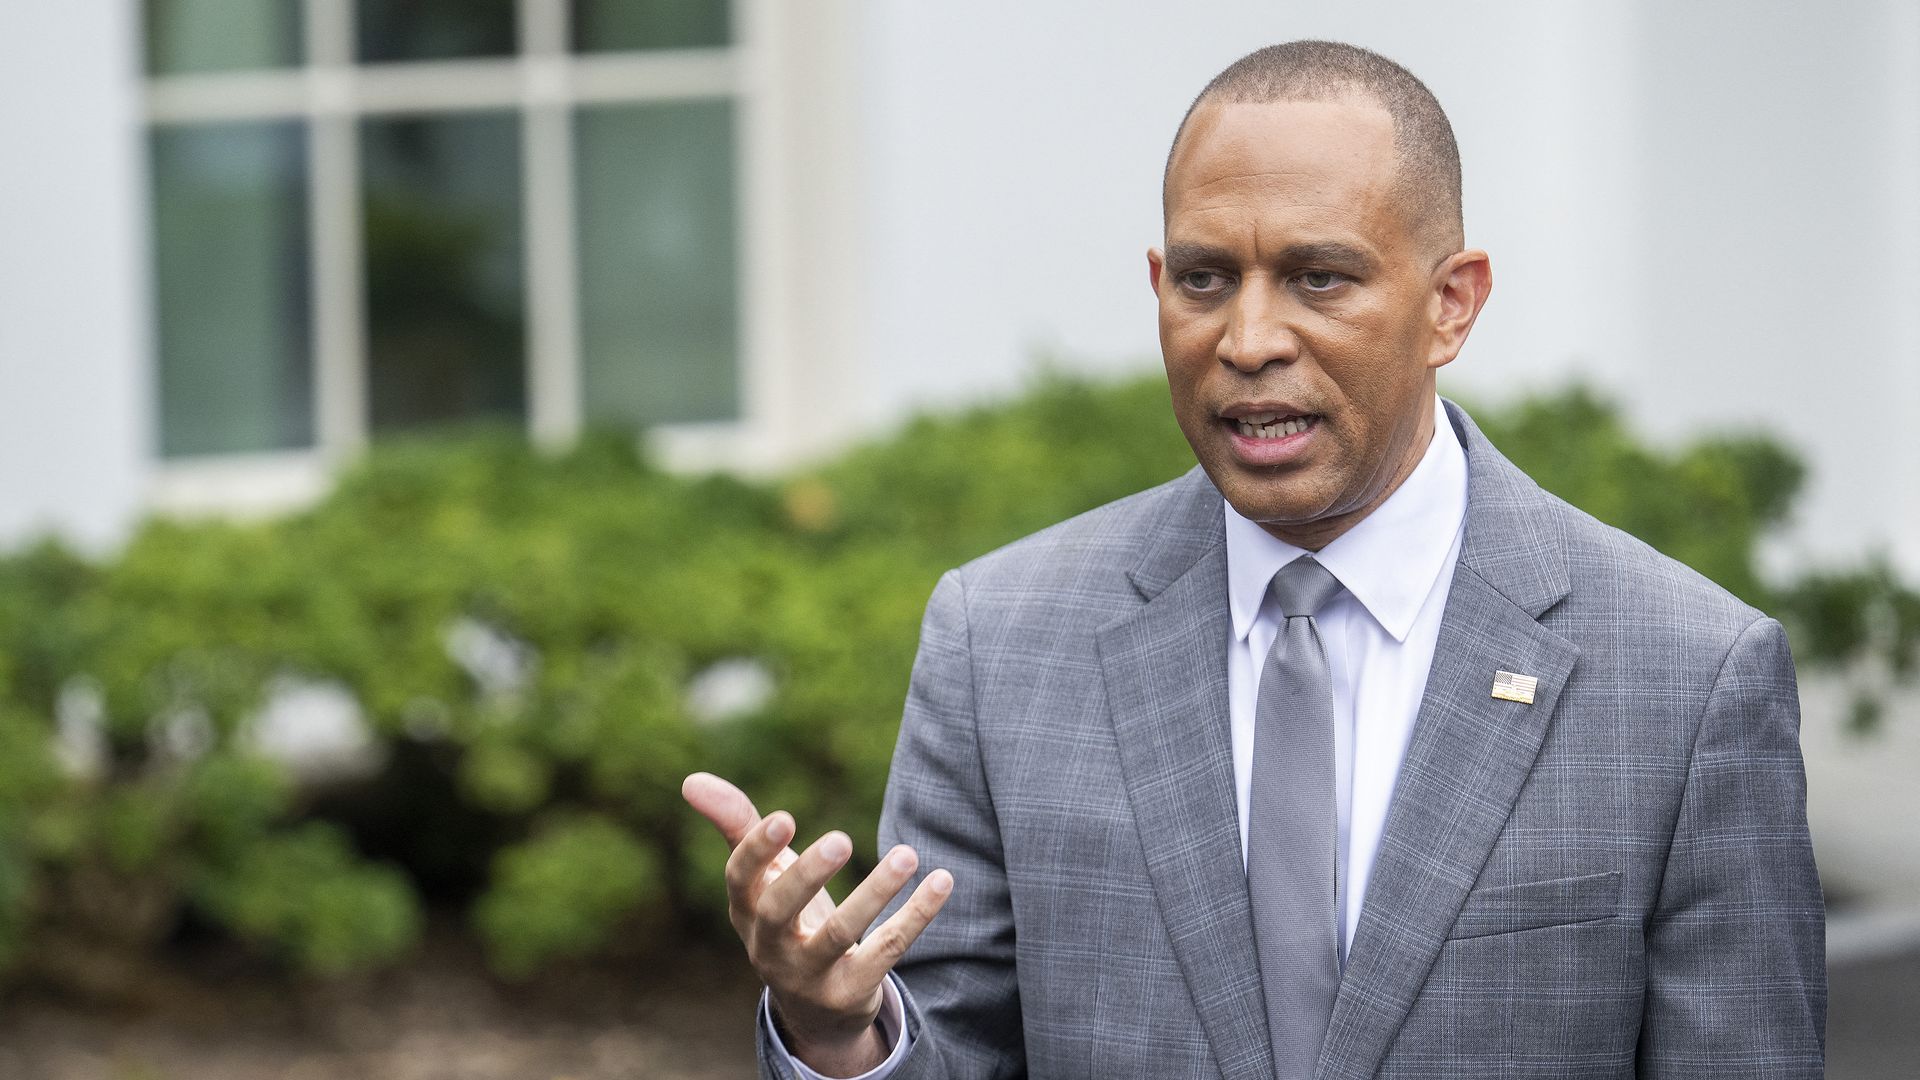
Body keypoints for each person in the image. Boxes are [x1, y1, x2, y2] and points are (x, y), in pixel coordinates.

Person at [684, 40, 1826, 1080]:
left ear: (1449, 306)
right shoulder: (1002, 644)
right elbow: (952, 1052)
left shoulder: (1688, 679)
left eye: (1319, 278)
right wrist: (842, 1036)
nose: (1248, 340)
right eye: (1205, 279)